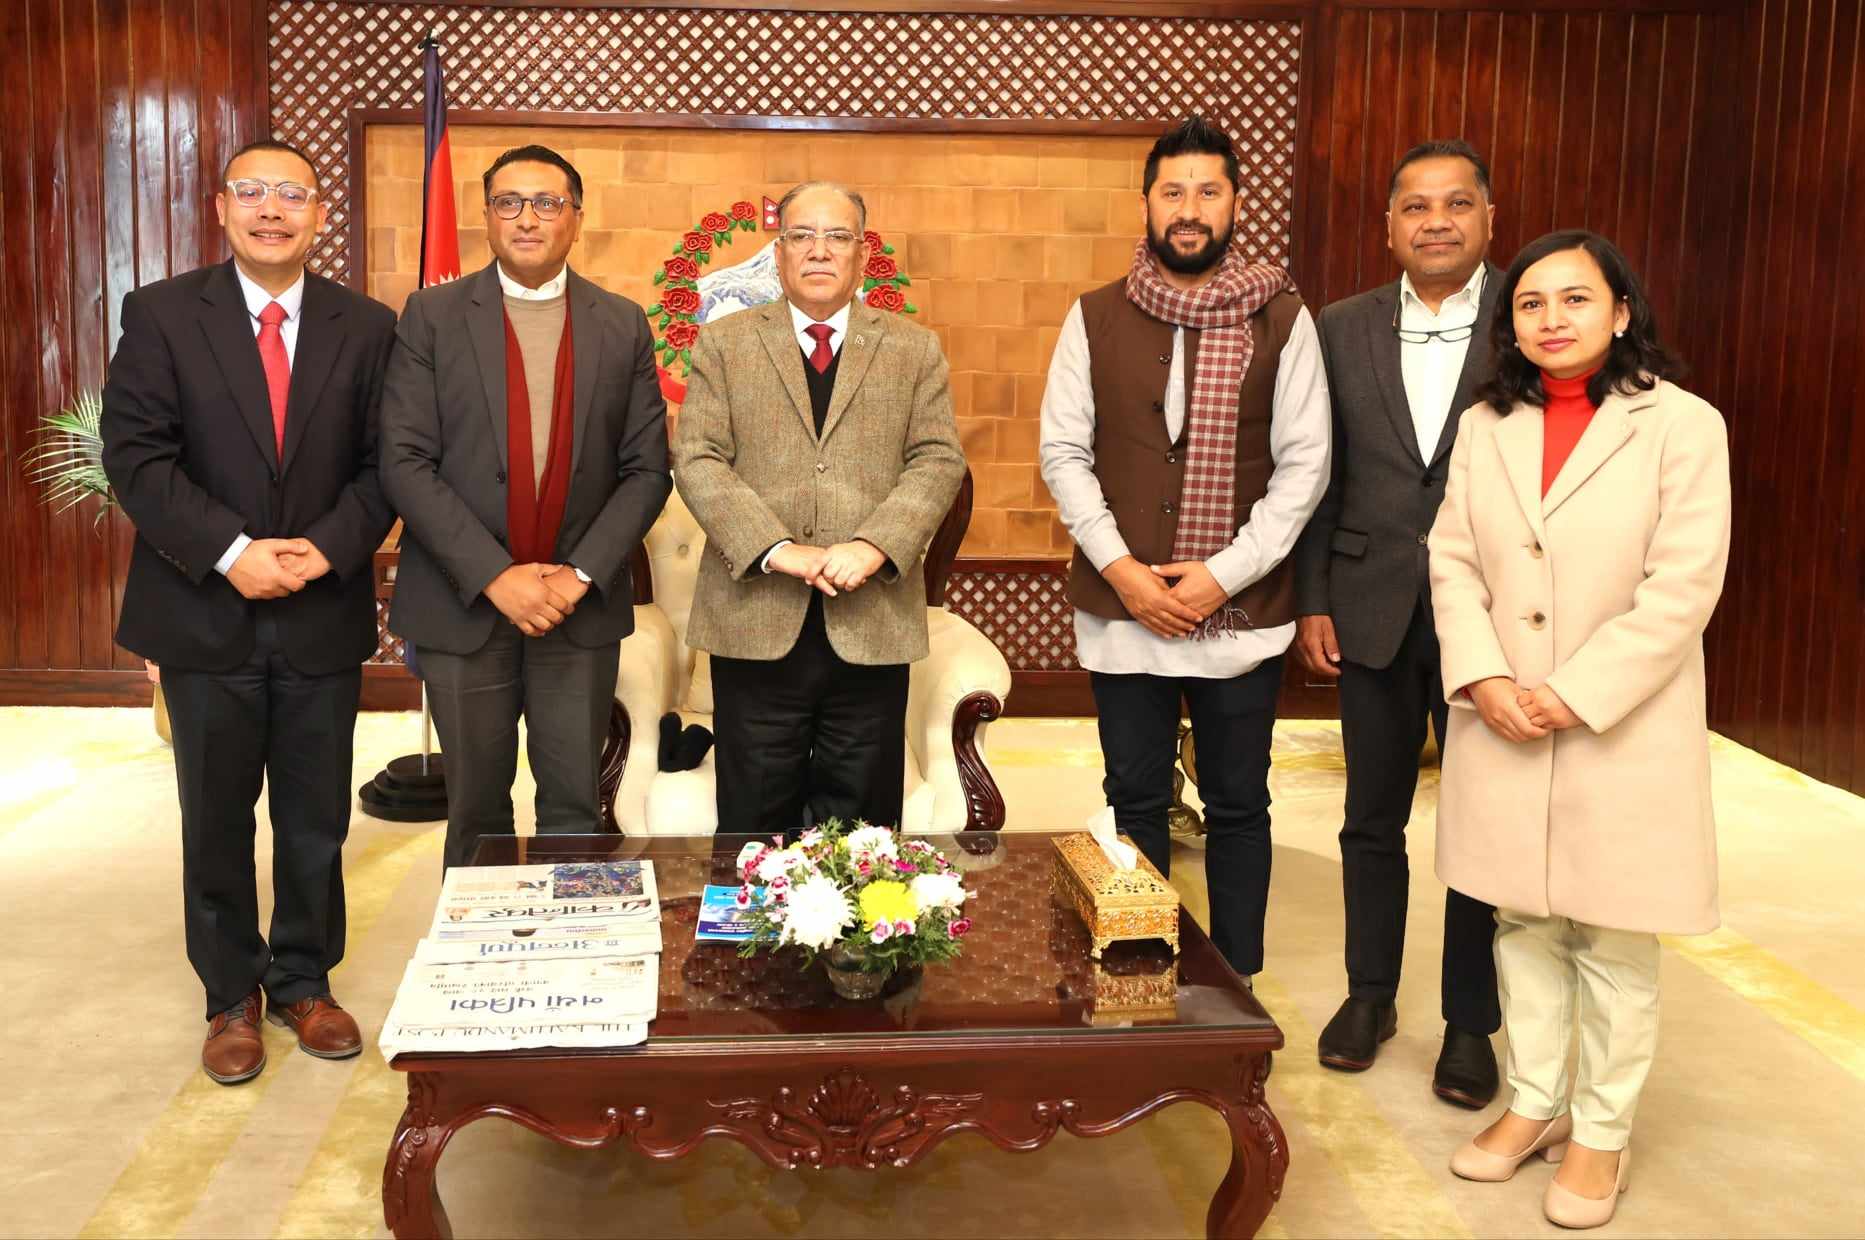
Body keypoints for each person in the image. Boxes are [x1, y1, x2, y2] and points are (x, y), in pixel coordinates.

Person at [1430, 229, 1729, 1228]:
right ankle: (1534, 1101)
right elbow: (1451, 559)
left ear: (1620, 310)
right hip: (1501, 712)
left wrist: (1571, 691)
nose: (1550, 319)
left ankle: (1601, 1130)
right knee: (1519, 921)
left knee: (1613, 934)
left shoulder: (1681, 425)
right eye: (1529, 303)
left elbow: (1681, 587)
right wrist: (1480, 673)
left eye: (1573, 298)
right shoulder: (1486, 424)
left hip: (1617, 722)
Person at [101, 139, 398, 1082]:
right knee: (215, 817)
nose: (273, 209)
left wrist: (326, 548)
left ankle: (305, 980)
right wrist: (233, 553)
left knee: (315, 818)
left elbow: (387, 462)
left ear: (319, 215)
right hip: (203, 610)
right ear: (222, 207)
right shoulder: (161, 313)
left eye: (292, 195)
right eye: (253, 192)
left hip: (320, 605)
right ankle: (230, 994)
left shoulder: (368, 325)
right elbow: (137, 457)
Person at [1038, 117, 1330, 982]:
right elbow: (1063, 452)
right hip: (1121, 609)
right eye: (1173, 191)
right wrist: (1123, 571)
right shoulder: (1093, 316)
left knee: (1238, 803)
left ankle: (1235, 986)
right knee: (1133, 799)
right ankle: (1141, 979)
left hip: (1240, 612)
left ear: (1236, 204)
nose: (1189, 209)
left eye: (1208, 191)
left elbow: (1305, 463)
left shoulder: (1283, 318)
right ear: (1146, 204)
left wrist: (1221, 576)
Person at [380, 144, 671, 869]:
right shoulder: (431, 315)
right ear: (487, 217)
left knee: (573, 805)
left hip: (579, 610)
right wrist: (494, 576)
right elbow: (404, 461)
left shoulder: (621, 323)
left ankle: (564, 939)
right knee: (476, 809)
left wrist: (577, 576)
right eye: (508, 202)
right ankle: (482, 943)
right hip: (462, 604)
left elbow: (646, 471)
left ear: (577, 217)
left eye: (546, 202)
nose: (527, 218)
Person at [1291, 139, 1504, 1104]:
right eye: (1415, 206)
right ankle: (1368, 994)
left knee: (1480, 827)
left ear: (1488, 218)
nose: (1436, 222)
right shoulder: (1340, 326)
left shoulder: (1526, 318)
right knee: (1368, 819)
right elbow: (1314, 472)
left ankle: (1470, 1024)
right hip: (1368, 604)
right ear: (1387, 227)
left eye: (1456, 203)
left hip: (1490, 619)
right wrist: (1313, 597)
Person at [671, 181, 965, 835]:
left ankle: (858, 913)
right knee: (752, 826)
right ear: (778, 254)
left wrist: (875, 545)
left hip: (872, 619)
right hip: (754, 619)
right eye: (801, 236)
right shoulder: (724, 343)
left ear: (862, 254)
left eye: (837, 236)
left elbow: (938, 459)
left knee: (863, 833)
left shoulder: (913, 350)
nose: (819, 250)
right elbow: (697, 457)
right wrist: (777, 549)